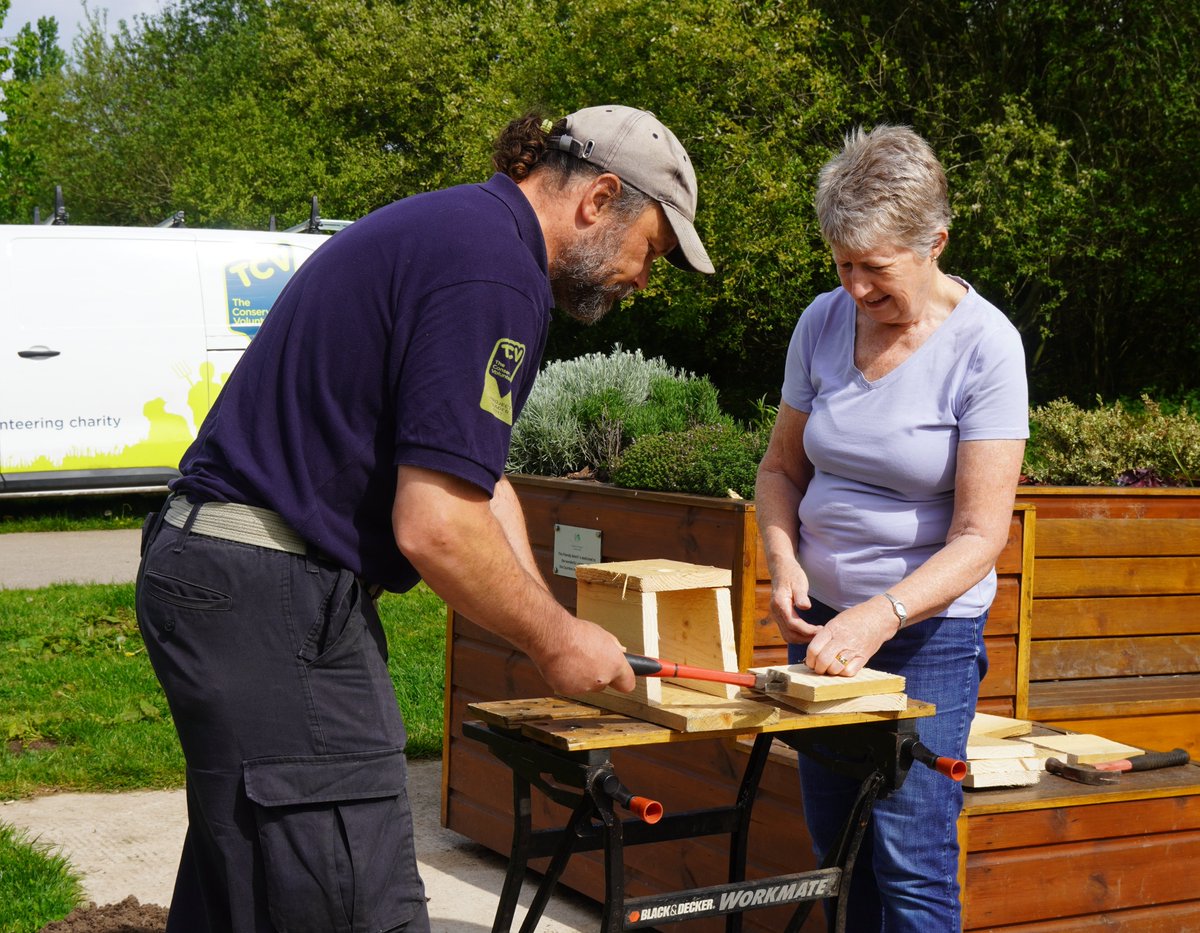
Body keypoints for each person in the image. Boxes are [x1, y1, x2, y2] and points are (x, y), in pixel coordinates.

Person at [135, 104, 713, 933]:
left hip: (235, 575)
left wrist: (557, 618)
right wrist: (554, 639)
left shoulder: (469, 235)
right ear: (600, 199)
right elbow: (436, 523)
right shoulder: (495, 273)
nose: (643, 278)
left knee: (253, 885)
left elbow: (481, 481)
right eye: (649, 250)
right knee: (353, 899)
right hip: (272, 591)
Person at [754, 124, 1027, 932]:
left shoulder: (987, 347)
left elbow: (980, 535)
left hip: (926, 639)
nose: (856, 288)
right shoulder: (821, 322)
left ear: (934, 242)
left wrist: (882, 614)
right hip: (824, 631)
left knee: (911, 867)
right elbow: (780, 470)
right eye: (843, 265)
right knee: (838, 857)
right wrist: (783, 562)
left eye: (875, 268)